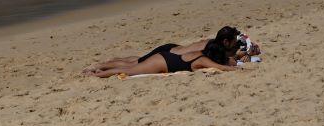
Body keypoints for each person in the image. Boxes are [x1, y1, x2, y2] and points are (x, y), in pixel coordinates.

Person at [82, 26, 241, 77]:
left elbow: (227, 60)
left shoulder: (211, 46)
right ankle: (99, 69)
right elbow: (226, 64)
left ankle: (104, 65)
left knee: (134, 61)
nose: (235, 47)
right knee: (132, 66)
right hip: (167, 55)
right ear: (225, 42)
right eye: (234, 44)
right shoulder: (208, 51)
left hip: (170, 53)